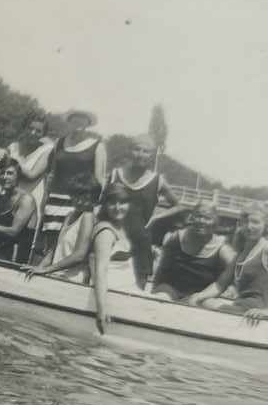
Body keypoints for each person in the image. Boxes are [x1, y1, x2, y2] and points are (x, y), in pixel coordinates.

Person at [108, 134, 185, 290]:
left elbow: (179, 206)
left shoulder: (157, 180)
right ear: (129, 151)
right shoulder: (116, 174)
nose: (140, 155)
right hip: (113, 235)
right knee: (106, 278)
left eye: (146, 151)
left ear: (151, 156)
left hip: (140, 240)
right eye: (137, 149)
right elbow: (102, 203)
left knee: (137, 286)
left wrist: (157, 217)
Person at [41, 109, 107, 255]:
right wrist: (45, 199)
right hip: (55, 200)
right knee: (51, 244)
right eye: (75, 119)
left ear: (88, 123)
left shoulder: (97, 146)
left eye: (83, 119)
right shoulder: (59, 143)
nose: (79, 122)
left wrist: (96, 206)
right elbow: (52, 173)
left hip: (80, 203)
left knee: (70, 244)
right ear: (69, 121)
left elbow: (99, 180)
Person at [193, 208, 268, 323]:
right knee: (203, 300)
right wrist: (198, 295)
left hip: (256, 313)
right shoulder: (241, 253)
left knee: (208, 304)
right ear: (240, 224)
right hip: (241, 306)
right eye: (245, 222)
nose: (249, 226)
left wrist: (265, 312)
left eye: (255, 222)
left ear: (265, 224)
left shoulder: (266, 249)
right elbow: (220, 285)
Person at [151, 202, 235, 303]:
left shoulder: (222, 248)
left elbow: (236, 272)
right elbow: (162, 268)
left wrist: (231, 288)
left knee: (211, 305)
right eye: (198, 216)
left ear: (215, 222)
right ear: (192, 217)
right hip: (170, 289)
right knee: (161, 298)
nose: (201, 221)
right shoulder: (176, 238)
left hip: (201, 294)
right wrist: (155, 289)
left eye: (207, 218)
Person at [24, 174, 100, 282]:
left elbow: (79, 255)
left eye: (86, 198)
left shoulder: (88, 216)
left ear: (94, 200)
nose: (79, 201)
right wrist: (40, 267)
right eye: (77, 196)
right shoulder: (69, 215)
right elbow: (55, 249)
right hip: (56, 276)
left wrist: (46, 270)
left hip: (73, 280)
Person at [88, 183, 134, 334]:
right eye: (112, 202)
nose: (117, 207)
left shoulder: (119, 227)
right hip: (114, 295)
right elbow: (100, 270)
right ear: (105, 205)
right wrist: (101, 310)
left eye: (123, 202)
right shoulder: (106, 231)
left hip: (126, 292)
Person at [7, 113, 54, 229]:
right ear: (24, 128)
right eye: (30, 128)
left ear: (43, 134)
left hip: (30, 204)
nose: (33, 133)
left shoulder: (47, 150)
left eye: (38, 131)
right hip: (10, 199)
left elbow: (31, 175)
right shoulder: (14, 146)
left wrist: (14, 158)